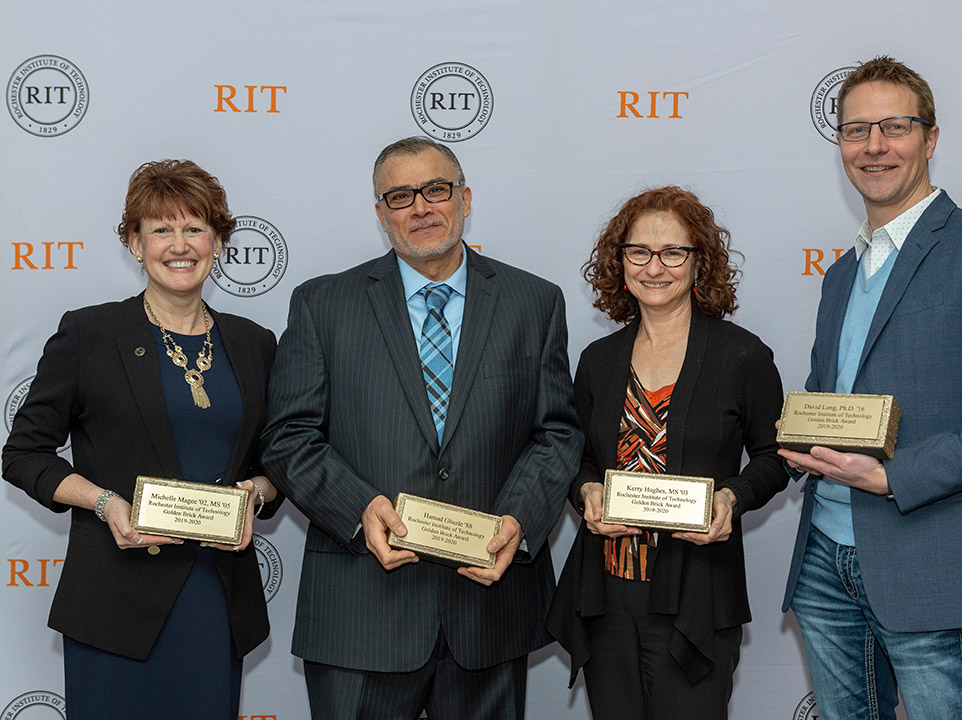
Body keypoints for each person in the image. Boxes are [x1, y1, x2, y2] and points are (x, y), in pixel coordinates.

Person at [779, 56, 962, 719]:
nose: (873, 146)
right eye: (855, 130)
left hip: (935, 568)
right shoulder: (843, 273)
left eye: (894, 126)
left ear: (930, 138)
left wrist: (891, 476)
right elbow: (839, 401)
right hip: (825, 560)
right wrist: (797, 439)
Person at [259, 136, 582, 720]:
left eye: (436, 189)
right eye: (400, 196)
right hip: (361, 612)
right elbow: (288, 437)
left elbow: (556, 432)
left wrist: (517, 520)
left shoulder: (533, 301)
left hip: (489, 608)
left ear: (464, 197)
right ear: (381, 214)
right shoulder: (322, 304)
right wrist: (358, 508)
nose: (421, 207)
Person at [2, 159, 280, 719]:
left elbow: (281, 461)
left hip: (213, 596)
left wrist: (256, 493)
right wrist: (105, 504)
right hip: (115, 599)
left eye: (195, 228)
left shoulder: (256, 344)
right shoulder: (90, 333)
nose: (180, 245)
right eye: (160, 229)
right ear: (134, 242)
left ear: (220, 242)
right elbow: (23, 454)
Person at [546, 187, 789, 720]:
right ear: (621, 260)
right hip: (606, 595)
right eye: (639, 252)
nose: (655, 267)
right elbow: (578, 459)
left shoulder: (742, 356)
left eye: (673, 252)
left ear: (699, 262)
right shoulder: (598, 360)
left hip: (695, 597)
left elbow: (775, 457)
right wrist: (586, 490)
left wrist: (733, 496)